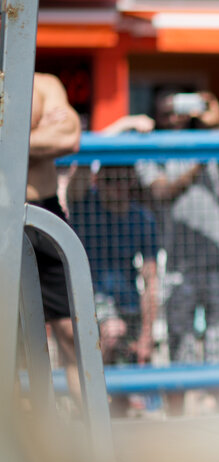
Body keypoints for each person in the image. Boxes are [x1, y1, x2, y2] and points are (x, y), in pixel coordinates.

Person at [135, 90, 219, 416]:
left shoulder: (208, 139)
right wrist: (197, 163)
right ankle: (177, 420)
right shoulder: (150, 150)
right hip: (179, 264)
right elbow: (161, 190)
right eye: (168, 110)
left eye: (181, 108)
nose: (175, 116)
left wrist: (218, 120)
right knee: (179, 343)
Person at [68, 162, 159, 417]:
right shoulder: (84, 208)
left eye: (124, 179)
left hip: (129, 306)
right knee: (111, 331)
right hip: (88, 303)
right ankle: (91, 404)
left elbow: (151, 279)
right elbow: (76, 182)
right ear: (98, 182)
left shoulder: (143, 219)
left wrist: (147, 334)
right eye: (110, 180)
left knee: (123, 393)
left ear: (133, 181)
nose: (118, 186)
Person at [27, 72, 83, 411]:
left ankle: (98, 441)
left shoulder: (44, 84)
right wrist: (38, 134)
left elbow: (70, 136)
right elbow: (53, 138)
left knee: (75, 335)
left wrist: (11, 135)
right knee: (16, 344)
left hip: (44, 215)